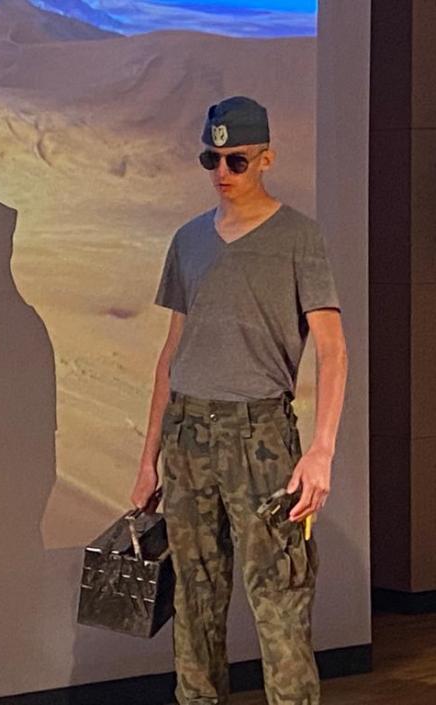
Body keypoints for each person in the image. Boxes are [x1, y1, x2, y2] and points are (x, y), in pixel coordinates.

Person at [131, 97, 348, 705]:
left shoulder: (299, 237)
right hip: (188, 435)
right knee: (193, 597)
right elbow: (172, 353)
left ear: (266, 159)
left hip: (261, 437)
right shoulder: (189, 240)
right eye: (212, 159)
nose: (222, 171)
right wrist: (148, 459)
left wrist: (322, 452)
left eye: (237, 160)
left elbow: (333, 349)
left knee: (280, 597)